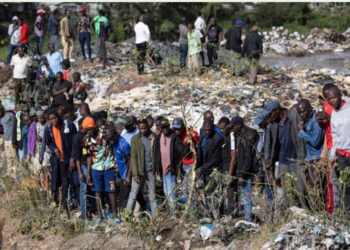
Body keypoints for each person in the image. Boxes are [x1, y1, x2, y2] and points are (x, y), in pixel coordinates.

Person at [43, 109, 76, 212]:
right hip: (61, 159)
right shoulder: (49, 128)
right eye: (51, 119)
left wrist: (73, 158)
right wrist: (54, 149)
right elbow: (48, 142)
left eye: (55, 118)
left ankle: (76, 201)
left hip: (71, 158)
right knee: (64, 181)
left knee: (75, 180)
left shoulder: (68, 125)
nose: (53, 121)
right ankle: (64, 203)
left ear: (58, 116)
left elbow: (75, 141)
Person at [325, 86, 350, 213]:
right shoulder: (334, 114)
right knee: (345, 186)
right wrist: (332, 156)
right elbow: (334, 136)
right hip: (342, 156)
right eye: (329, 99)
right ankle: (346, 215)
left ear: (340, 95)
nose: (332, 101)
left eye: (334, 97)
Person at [155, 118, 186, 218]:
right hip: (162, 169)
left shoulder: (174, 137)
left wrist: (189, 143)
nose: (165, 129)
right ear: (160, 128)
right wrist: (157, 167)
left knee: (171, 193)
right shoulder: (158, 137)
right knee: (165, 191)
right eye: (162, 127)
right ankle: (172, 211)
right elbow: (156, 153)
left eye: (166, 127)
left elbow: (181, 150)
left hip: (170, 169)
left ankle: (173, 215)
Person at [126, 119, 158, 216]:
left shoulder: (153, 137)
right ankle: (127, 215)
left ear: (148, 127)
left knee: (152, 195)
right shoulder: (135, 139)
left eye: (144, 128)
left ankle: (155, 216)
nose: (143, 130)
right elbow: (133, 157)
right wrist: (135, 173)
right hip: (139, 172)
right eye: (140, 129)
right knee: (133, 193)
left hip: (150, 171)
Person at [232, 116, 259, 222]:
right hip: (245, 170)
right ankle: (249, 218)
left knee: (246, 197)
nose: (233, 128)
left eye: (234, 126)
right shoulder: (243, 135)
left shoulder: (246, 136)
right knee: (246, 196)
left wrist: (242, 175)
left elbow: (248, 158)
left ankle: (248, 220)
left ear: (239, 125)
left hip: (246, 172)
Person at [71, 116, 95, 220]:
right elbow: (77, 157)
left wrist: (88, 172)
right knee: (83, 189)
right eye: (89, 129)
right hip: (82, 165)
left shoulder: (89, 137)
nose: (91, 131)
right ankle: (84, 214)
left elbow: (89, 154)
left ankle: (92, 209)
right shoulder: (77, 138)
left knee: (91, 188)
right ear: (84, 128)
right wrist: (81, 172)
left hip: (89, 165)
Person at [172, 117, 199, 203]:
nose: (176, 130)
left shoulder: (191, 134)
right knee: (184, 187)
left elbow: (196, 148)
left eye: (178, 128)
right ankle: (187, 205)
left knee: (191, 186)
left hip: (191, 163)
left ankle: (193, 205)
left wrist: (190, 140)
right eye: (174, 128)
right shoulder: (175, 136)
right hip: (182, 164)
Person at [218, 117, 238, 216]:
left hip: (229, 168)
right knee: (221, 190)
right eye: (220, 129)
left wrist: (229, 175)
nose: (222, 130)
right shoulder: (223, 136)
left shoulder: (232, 136)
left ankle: (232, 214)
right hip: (222, 167)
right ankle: (220, 212)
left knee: (230, 191)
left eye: (223, 128)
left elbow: (233, 157)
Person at [196, 119, 224, 185]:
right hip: (203, 168)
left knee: (212, 189)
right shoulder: (202, 135)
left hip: (213, 169)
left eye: (209, 130)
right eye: (206, 129)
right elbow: (200, 152)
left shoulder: (218, 139)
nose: (207, 132)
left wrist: (202, 168)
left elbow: (216, 158)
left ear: (213, 128)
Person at [0, 104, 17, 178]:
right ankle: (9, 172)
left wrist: (14, 139)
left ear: (2, 110)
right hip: (6, 139)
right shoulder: (1, 119)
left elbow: (15, 126)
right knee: (8, 157)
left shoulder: (10, 115)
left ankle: (15, 174)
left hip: (11, 139)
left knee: (14, 156)